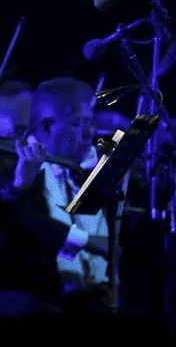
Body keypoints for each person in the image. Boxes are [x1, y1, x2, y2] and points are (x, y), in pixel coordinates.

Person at [0, 77, 110, 312]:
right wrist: (20, 185)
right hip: (37, 294)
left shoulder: (92, 171)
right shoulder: (11, 166)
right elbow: (16, 220)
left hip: (93, 295)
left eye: (91, 123)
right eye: (76, 124)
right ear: (46, 127)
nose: (88, 134)